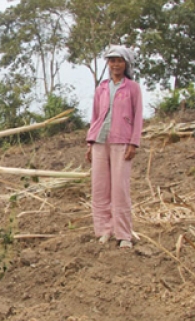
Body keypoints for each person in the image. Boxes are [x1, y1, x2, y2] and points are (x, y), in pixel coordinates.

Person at [84, 45, 143, 249]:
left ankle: (124, 234)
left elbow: (138, 117)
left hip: (122, 141)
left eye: (119, 60)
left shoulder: (132, 88)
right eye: (112, 61)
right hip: (100, 140)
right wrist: (90, 142)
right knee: (100, 188)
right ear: (108, 64)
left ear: (125, 63)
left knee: (120, 188)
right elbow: (95, 116)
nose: (115, 64)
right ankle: (103, 230)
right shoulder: (101, 88)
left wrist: (134, 143)